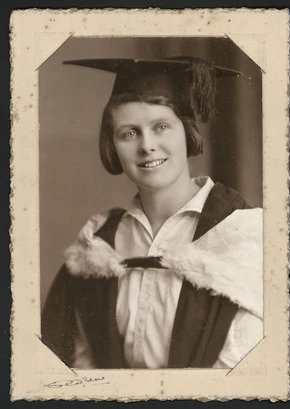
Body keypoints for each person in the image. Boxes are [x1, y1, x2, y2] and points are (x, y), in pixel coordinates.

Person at [41, 56, 263, 369]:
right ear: (113, 145)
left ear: (186, 132)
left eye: (161, 127)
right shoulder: (99, 244)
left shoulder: (243, 234)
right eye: (128, 133)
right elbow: (73, 362)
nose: (147, 146)